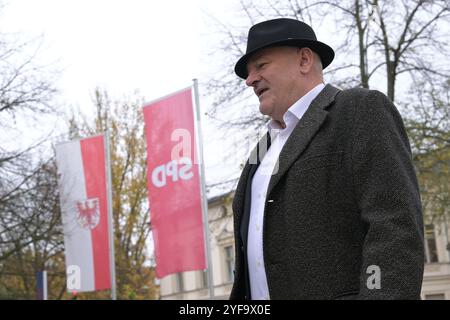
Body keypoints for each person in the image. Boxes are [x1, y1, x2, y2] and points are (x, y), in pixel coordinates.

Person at [230, 18, 424, 300]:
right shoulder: (260, 153)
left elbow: (394, 227)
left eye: (261, 66)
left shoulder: (358, 111)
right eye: (248, 73)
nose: (249, 80)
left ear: (305, 60)